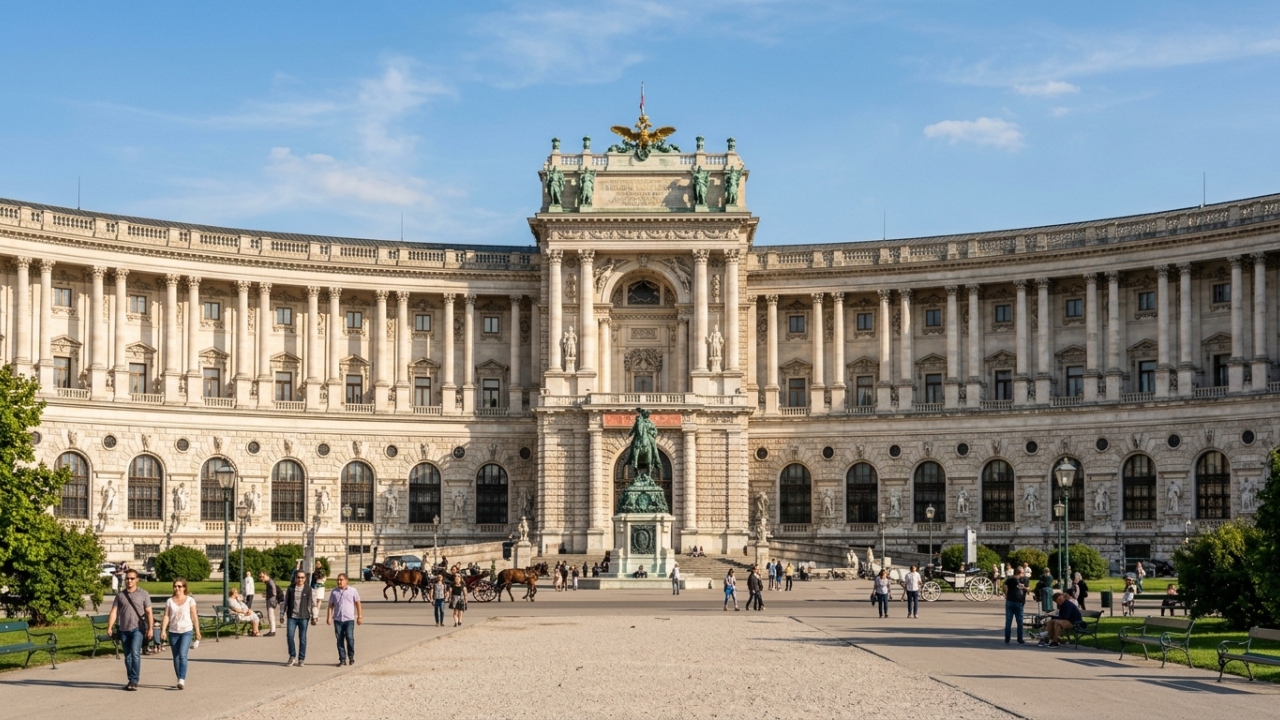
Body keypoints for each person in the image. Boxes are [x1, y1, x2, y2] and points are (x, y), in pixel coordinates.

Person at [107, 568, 153, 691]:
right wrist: (110, 627)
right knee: (127, 656)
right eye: (127, 578)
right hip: (124, 629)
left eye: (132, 578)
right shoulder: (120, 595)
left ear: (137, 579)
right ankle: (130, 679)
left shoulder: (143, 594)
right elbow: (114, 611)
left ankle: (134, 680)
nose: (129, 581)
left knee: (135, 653)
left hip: (137, 629)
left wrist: (150, 629)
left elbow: (149, 612)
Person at [159, 577, 200, 690]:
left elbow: (194, 615)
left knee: (182, 654)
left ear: (184, 587)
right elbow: (166, 616)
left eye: (179, 586)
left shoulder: (190, 600)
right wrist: (163, 630)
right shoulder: (170, 601)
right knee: (176, 657)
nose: (177, 588)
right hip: (173, 631)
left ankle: (182, 678)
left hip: (186, 630)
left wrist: (197, 631)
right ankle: (179, 678)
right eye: (175, 586)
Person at [326, 573, 362, 666]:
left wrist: (359, 616)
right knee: (339, 639)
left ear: (346, 581)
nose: (339, 582)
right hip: (338, 619)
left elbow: (358, 603)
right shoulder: (334, 592)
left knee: (350, 638)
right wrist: (329, 617)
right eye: (338, 580)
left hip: (349, 619)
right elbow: (330, 605)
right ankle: (342, 659)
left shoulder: (353, 591)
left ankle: (351, 656)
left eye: (341, 580)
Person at [282, 569, 315, 666]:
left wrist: (314, 616)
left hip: (304, 617)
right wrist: (281, 614)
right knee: (290, 636)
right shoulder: (290, 588)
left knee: (302, 638)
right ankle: (292, 656)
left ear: (305, 579)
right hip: (292, 616)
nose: (300, 579)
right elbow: (285, 602)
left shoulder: (309, 589)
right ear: (295, 578)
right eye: (298, 577)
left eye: (302, 578)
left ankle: (301, 658)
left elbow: (313, 604)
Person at [1003, 566, 1028, 644]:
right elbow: (1021, 587)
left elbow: (1004, 586)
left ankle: (1007, 638)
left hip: (1009, 601)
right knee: (1019, 622)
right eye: (1023, 572)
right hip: (1018, 602)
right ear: (1020, 572)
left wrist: (1006, 594)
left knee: (1008, 621)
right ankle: (1020, 639)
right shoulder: (1016, 580)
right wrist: (1026, 589)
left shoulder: (1009, 579)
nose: (1023, 574)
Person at [259, 571, 280, 636]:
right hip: (270, 599)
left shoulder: (270, 581)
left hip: (271, 600)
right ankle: (272, 630)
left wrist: (272, 596)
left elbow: (274, 590)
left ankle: (272, 631)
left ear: (266, 575)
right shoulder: (268, 582)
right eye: (260, 577)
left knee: (271, 615)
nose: (261, 578)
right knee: (270, 615)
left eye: (262, 576)